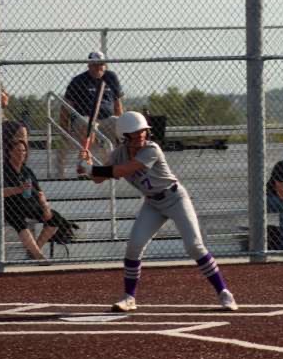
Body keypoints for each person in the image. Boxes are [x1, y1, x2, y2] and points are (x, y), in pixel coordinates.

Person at [78, 111, 238, 312]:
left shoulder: (152, 149)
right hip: (153, 204)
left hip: (175, 198)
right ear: (124, 138)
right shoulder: (119, 153)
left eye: (143, 132)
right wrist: (87, 166)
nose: (141, 137)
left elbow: (124, 170)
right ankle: (129, 297)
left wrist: (91, 168)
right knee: (134, 246)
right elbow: (98, 178)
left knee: (194, 246)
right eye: (135, 135)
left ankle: (224, 293)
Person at [59, 51, 124, 172]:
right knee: (88, 123)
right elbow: (66, 107)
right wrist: (64, 129)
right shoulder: (78, 81)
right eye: (95, 64)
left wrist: (122, 121)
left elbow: (117, 104)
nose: (98, 67)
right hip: (83, 120)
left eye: (101, 64)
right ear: (89, 65)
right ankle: (84, 165)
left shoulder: (111, 77)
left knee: (120, 122)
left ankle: (117, 165)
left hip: (106, 119)